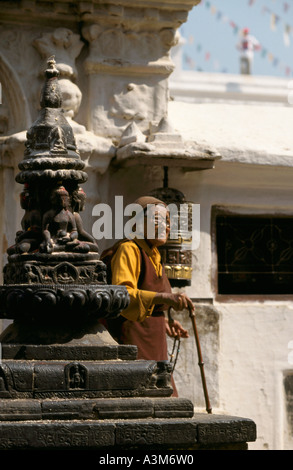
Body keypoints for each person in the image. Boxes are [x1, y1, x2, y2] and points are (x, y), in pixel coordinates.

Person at [102, 196, 195, 397]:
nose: (165, 226)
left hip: (156, 339)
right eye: (157, 220)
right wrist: (166, 298)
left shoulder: (155, 256)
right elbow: (123, 294)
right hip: (133, 338)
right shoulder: (129, 249)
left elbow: (152, 302)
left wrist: (167, 323)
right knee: (141, 396)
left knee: (163, 397)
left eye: (168, 222)